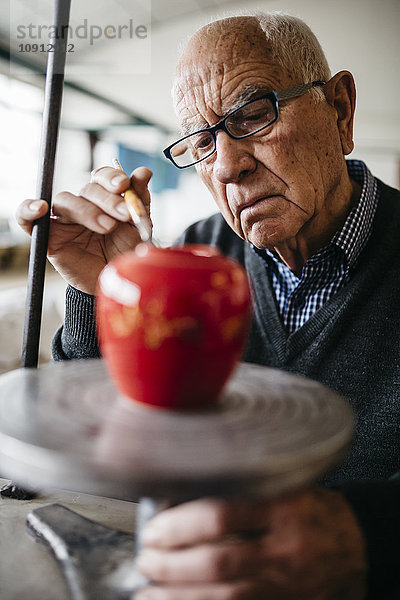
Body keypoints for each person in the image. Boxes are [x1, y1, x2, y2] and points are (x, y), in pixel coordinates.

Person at [17, 12, 400, 600]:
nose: (225, 165)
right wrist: (108, 293)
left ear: (341, 110)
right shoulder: (196, 257)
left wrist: (367, 536)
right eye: (200, 142)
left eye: (252, 115)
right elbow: (101, 441)